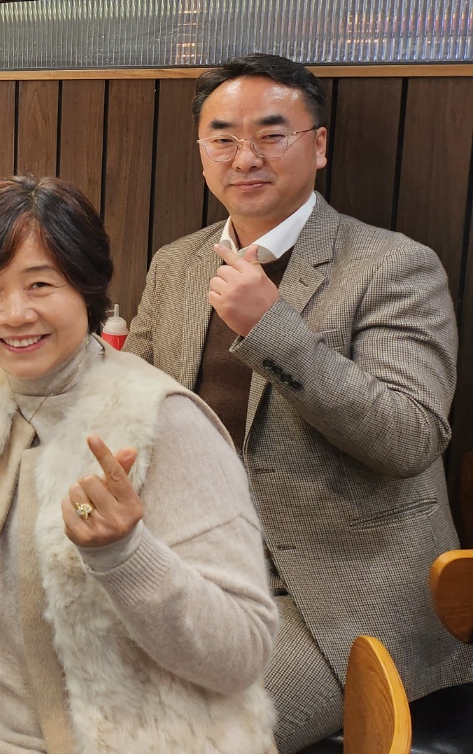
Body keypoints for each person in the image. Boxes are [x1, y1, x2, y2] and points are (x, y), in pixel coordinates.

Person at [0, 176, 278, 754]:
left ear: (86, 288)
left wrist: (125, 555)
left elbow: (244, 653)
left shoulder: (165, 422)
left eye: (41, 284)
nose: (15, 313)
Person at [126, 53, 473, 752]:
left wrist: (272, 329)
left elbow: (410, 437)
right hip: (193, 561)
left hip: (332, 595)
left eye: (271, 134)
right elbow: (132, 400)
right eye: (223, 137)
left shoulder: (394, 266)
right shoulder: (179, 263)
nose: (244, 157)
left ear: (318, 146)